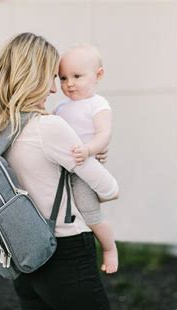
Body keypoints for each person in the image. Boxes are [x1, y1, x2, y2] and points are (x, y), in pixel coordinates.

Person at [0, 33, 118, 310]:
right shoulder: (48, 127)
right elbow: (109, 188)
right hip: (64, 250)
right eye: (53, 77)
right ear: (34, 77)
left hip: (23, 250)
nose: (56, 89)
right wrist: (93, 159)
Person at [55, 44, 118, 274]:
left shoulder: (97, 104)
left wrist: (89, 150)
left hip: (83, 166)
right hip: (63, 169)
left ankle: (109, 248)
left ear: (98, 75)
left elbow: (104, 134)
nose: (69, 83)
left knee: (90, 213)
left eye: (77, 76)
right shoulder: (60, 108)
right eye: (63, 78)